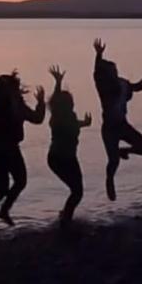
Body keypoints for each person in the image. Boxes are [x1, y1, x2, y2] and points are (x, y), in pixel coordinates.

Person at [93, 38, 142, 201]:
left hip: (122, 125)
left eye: (114, 70)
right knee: (113, 161)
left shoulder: (123, 83)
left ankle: (125, 151)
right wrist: (98, 56)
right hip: (109, 129)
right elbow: (96, 74)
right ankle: (110, 180)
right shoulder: (104, 87)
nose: (113, 72)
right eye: (110, 71)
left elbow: (137, 87)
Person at [0, 72, 45, 227]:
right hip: (5, 149)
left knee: (3, 187)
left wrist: (41, 103)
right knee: (16, 183)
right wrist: (41, 103)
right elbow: (37, 118)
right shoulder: (5, 105)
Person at [47, 65, 91, 226]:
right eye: (70, 101)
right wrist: (58, 83)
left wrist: (84, 124)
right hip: (58, 159)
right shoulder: (57, 118)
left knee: (78, 191)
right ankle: (65, 219)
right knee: (77, 191)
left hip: (70, 158)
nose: (73, 103)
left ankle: (65, 216)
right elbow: (56, 101)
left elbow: (73, 124)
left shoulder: (69, 116)